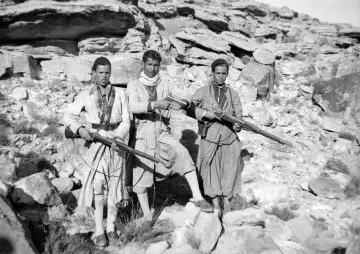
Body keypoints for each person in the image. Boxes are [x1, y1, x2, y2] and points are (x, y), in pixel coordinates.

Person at [126, 50, 213, 218]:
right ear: (143, 64)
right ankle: (147, 214)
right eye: (149, 64)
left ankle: (197, 196)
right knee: (140, 173)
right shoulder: (134, 84)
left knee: (182, 153)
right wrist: (155, 104)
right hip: (142, 134)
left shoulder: (165, 83)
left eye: (156, 65)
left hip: (161, 131)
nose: (152, 68)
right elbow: (133, 106)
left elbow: (185, 95)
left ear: (160, 66)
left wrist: (181, 103)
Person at [64, 57, 130, 247]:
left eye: (107, 72)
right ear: (93, 73)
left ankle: (111, 227)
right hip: (96, 143)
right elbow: (69, 115)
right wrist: (80, 130)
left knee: (115, 184)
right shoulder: (86, 94)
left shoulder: (120, 94)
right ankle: (100, 231)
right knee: (98, 184)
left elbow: (126, 120)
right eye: (100, 72)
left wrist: (118, 137)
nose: (103, 76)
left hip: (116, 142)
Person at [191, 58, 244, 215]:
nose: (221, 76)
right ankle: (215, 202)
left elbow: (239, 116)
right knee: (209, 168)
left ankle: (226, 201)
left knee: (230, 168)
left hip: (228, 138)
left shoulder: (233, 94)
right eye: (218, 73)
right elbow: (189, 108)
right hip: (210, 137)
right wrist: (206, 114)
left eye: (224, 73)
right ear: (212, 73)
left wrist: (237, 125)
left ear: (227, 74)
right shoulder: (202, 92)